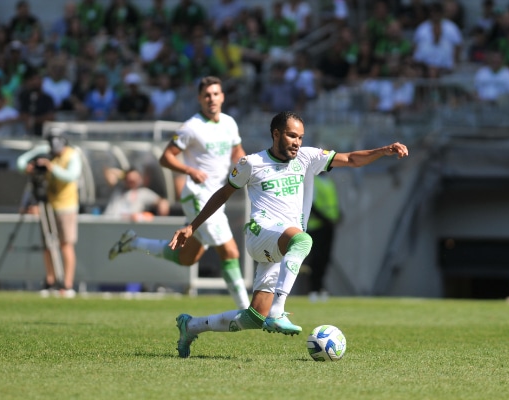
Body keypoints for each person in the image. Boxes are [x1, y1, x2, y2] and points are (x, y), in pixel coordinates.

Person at [169, 111, 408, 358]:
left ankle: (191, 326)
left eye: (301, 137)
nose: (297, 142)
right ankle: (278, 310)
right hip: (260, 233)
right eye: (292, 135)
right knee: (303, 240)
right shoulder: (251, 163)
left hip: (281, 244)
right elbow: (223, 194)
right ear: (276, 134)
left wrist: (382, 151)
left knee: (253, 317)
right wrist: (192, 226)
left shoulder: (306, 157)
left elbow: (350, 159)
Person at [108, 76, 250, 310]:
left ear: (222, 96)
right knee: (230, 250)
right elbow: (166, 157)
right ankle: (247, 311)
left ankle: (133, 242)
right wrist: (189, 169)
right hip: (197, 195)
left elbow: (237, 151)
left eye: (215, 94)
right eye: (206, 95)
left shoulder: (229, 123)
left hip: (216, 198)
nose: (211, 99)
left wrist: (246, 166)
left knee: (186, 258)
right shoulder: (191, 127)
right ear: (199, 99)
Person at [16, 130, 82, 298]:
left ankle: (67, 284)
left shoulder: (72, 155)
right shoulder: (46, 152)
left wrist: (51, 167)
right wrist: (28, 167)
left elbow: (71, 176)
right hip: (48, 205)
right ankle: (50, 281)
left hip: (66, 206)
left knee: (65, 244)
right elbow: (20, 162)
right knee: (47, 245)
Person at [306, 172, 341, 302]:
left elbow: (331, 203)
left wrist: (338, 215)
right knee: (316, 258)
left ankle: (320, 287)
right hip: (317, 226)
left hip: (328, 226)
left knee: (325, 258)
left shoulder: (328, 181)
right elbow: (312, 205)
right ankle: (313, 289)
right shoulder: (314, 182)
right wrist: (326, 219)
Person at [103, 167, 170, 221]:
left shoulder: (143, 193)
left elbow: (161, 202)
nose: (132, 181)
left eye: (134, 180)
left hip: (127, 226)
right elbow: (108, 172)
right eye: (129, 180)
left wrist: (163, 204)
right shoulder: (118, 188)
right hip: (107, 222)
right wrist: (125, 174)